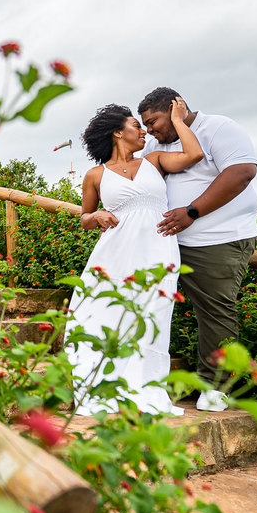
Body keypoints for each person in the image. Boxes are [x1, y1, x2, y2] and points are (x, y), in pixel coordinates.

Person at [66, 99, 204, 416]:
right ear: (118, 132)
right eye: (135, 125)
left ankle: (144, 389)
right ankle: (101, 386)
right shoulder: (95, 175)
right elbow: (85, 217)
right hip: (113, 255)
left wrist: (180, 121)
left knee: (153, 319)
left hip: (158, 253)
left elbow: (194, 155)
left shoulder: (154, 161)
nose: (143, 131)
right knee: (103, 315)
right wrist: (97, 215)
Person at [137, 87, 257, 412]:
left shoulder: (218, 128)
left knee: (215, 312)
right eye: (144, 125)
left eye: (153, 121)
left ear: (177, 108)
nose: (149, 130)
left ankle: (216, 388)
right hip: (167, 242)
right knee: (150, 306)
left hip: (217, 240)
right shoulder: (154, 144)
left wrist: (192, 211)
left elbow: (242, 172)